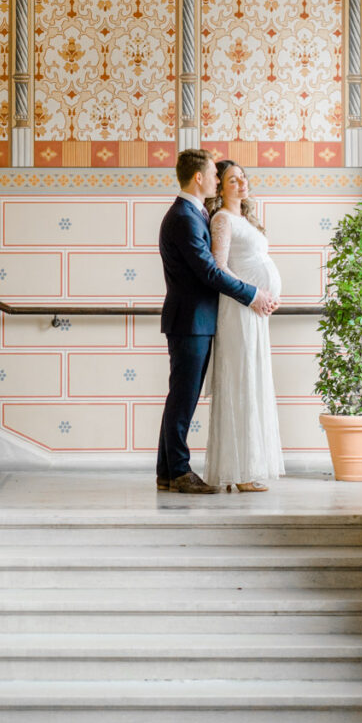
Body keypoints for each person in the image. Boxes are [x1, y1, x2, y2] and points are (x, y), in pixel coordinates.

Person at [157, 149, 277, 494]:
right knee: (183, 398)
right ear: (200, 178)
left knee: (182, 397)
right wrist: (252, 295)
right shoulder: (184, 216)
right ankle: (178, 471)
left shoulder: (191, 214)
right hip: (191, 320)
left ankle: (166, 471)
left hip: (197, 319)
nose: (216, 179)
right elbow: (209, 271)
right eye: (213, 175)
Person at [203, 160, 284, 492]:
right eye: (232, 180)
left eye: (243, 178)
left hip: (255, 311)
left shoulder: (245, 219)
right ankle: (237, 471)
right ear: (220, 187)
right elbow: (219, 267)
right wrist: (253, 295)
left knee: (254, 381)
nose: (241, 183)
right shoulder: (222, 219)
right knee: (241, 382)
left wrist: (267, 296)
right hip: (238, 310)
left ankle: (246, 468)